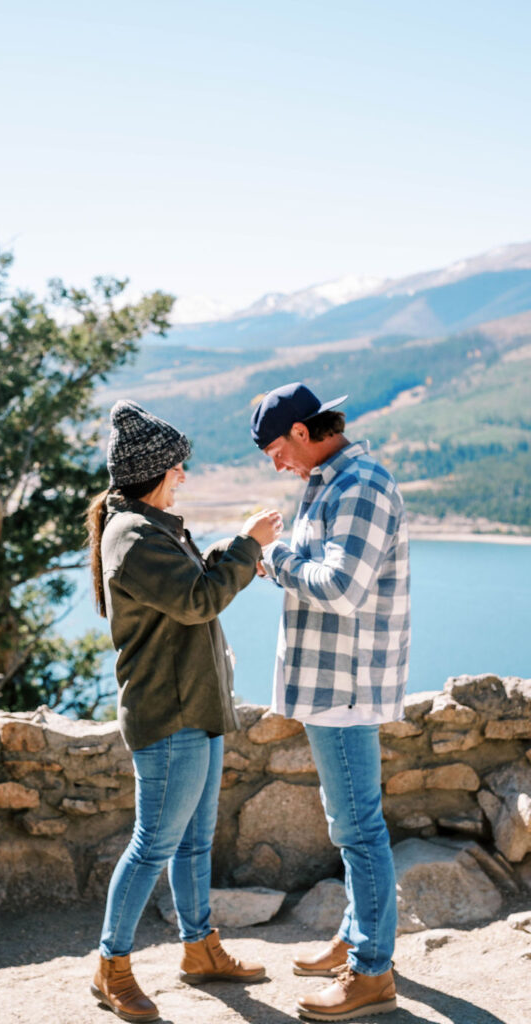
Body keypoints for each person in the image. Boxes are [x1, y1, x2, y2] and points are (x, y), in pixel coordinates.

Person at [86, 399, 283, 1023]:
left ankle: (200, 950)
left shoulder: (153, 525)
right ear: (154, 472)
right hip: (168, 717)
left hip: (195, 708)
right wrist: (248, 547)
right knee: (153, 845)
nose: (184, 476)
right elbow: (199, 600)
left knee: (195, 844)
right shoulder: (134, 536)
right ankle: (110, 966)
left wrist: (231, 546)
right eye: (178, 467)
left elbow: (191, 585)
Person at [250, 381, 410, 1022]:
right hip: (328, 684)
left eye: (274, 450)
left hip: (346, 684)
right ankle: (355, 937)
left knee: (359, 829)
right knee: (348, 824)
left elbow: (341, 588)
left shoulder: (360, 485)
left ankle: (371, 973)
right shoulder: (327, 484)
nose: (275, 464)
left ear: (301, 432)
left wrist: (274, 557)